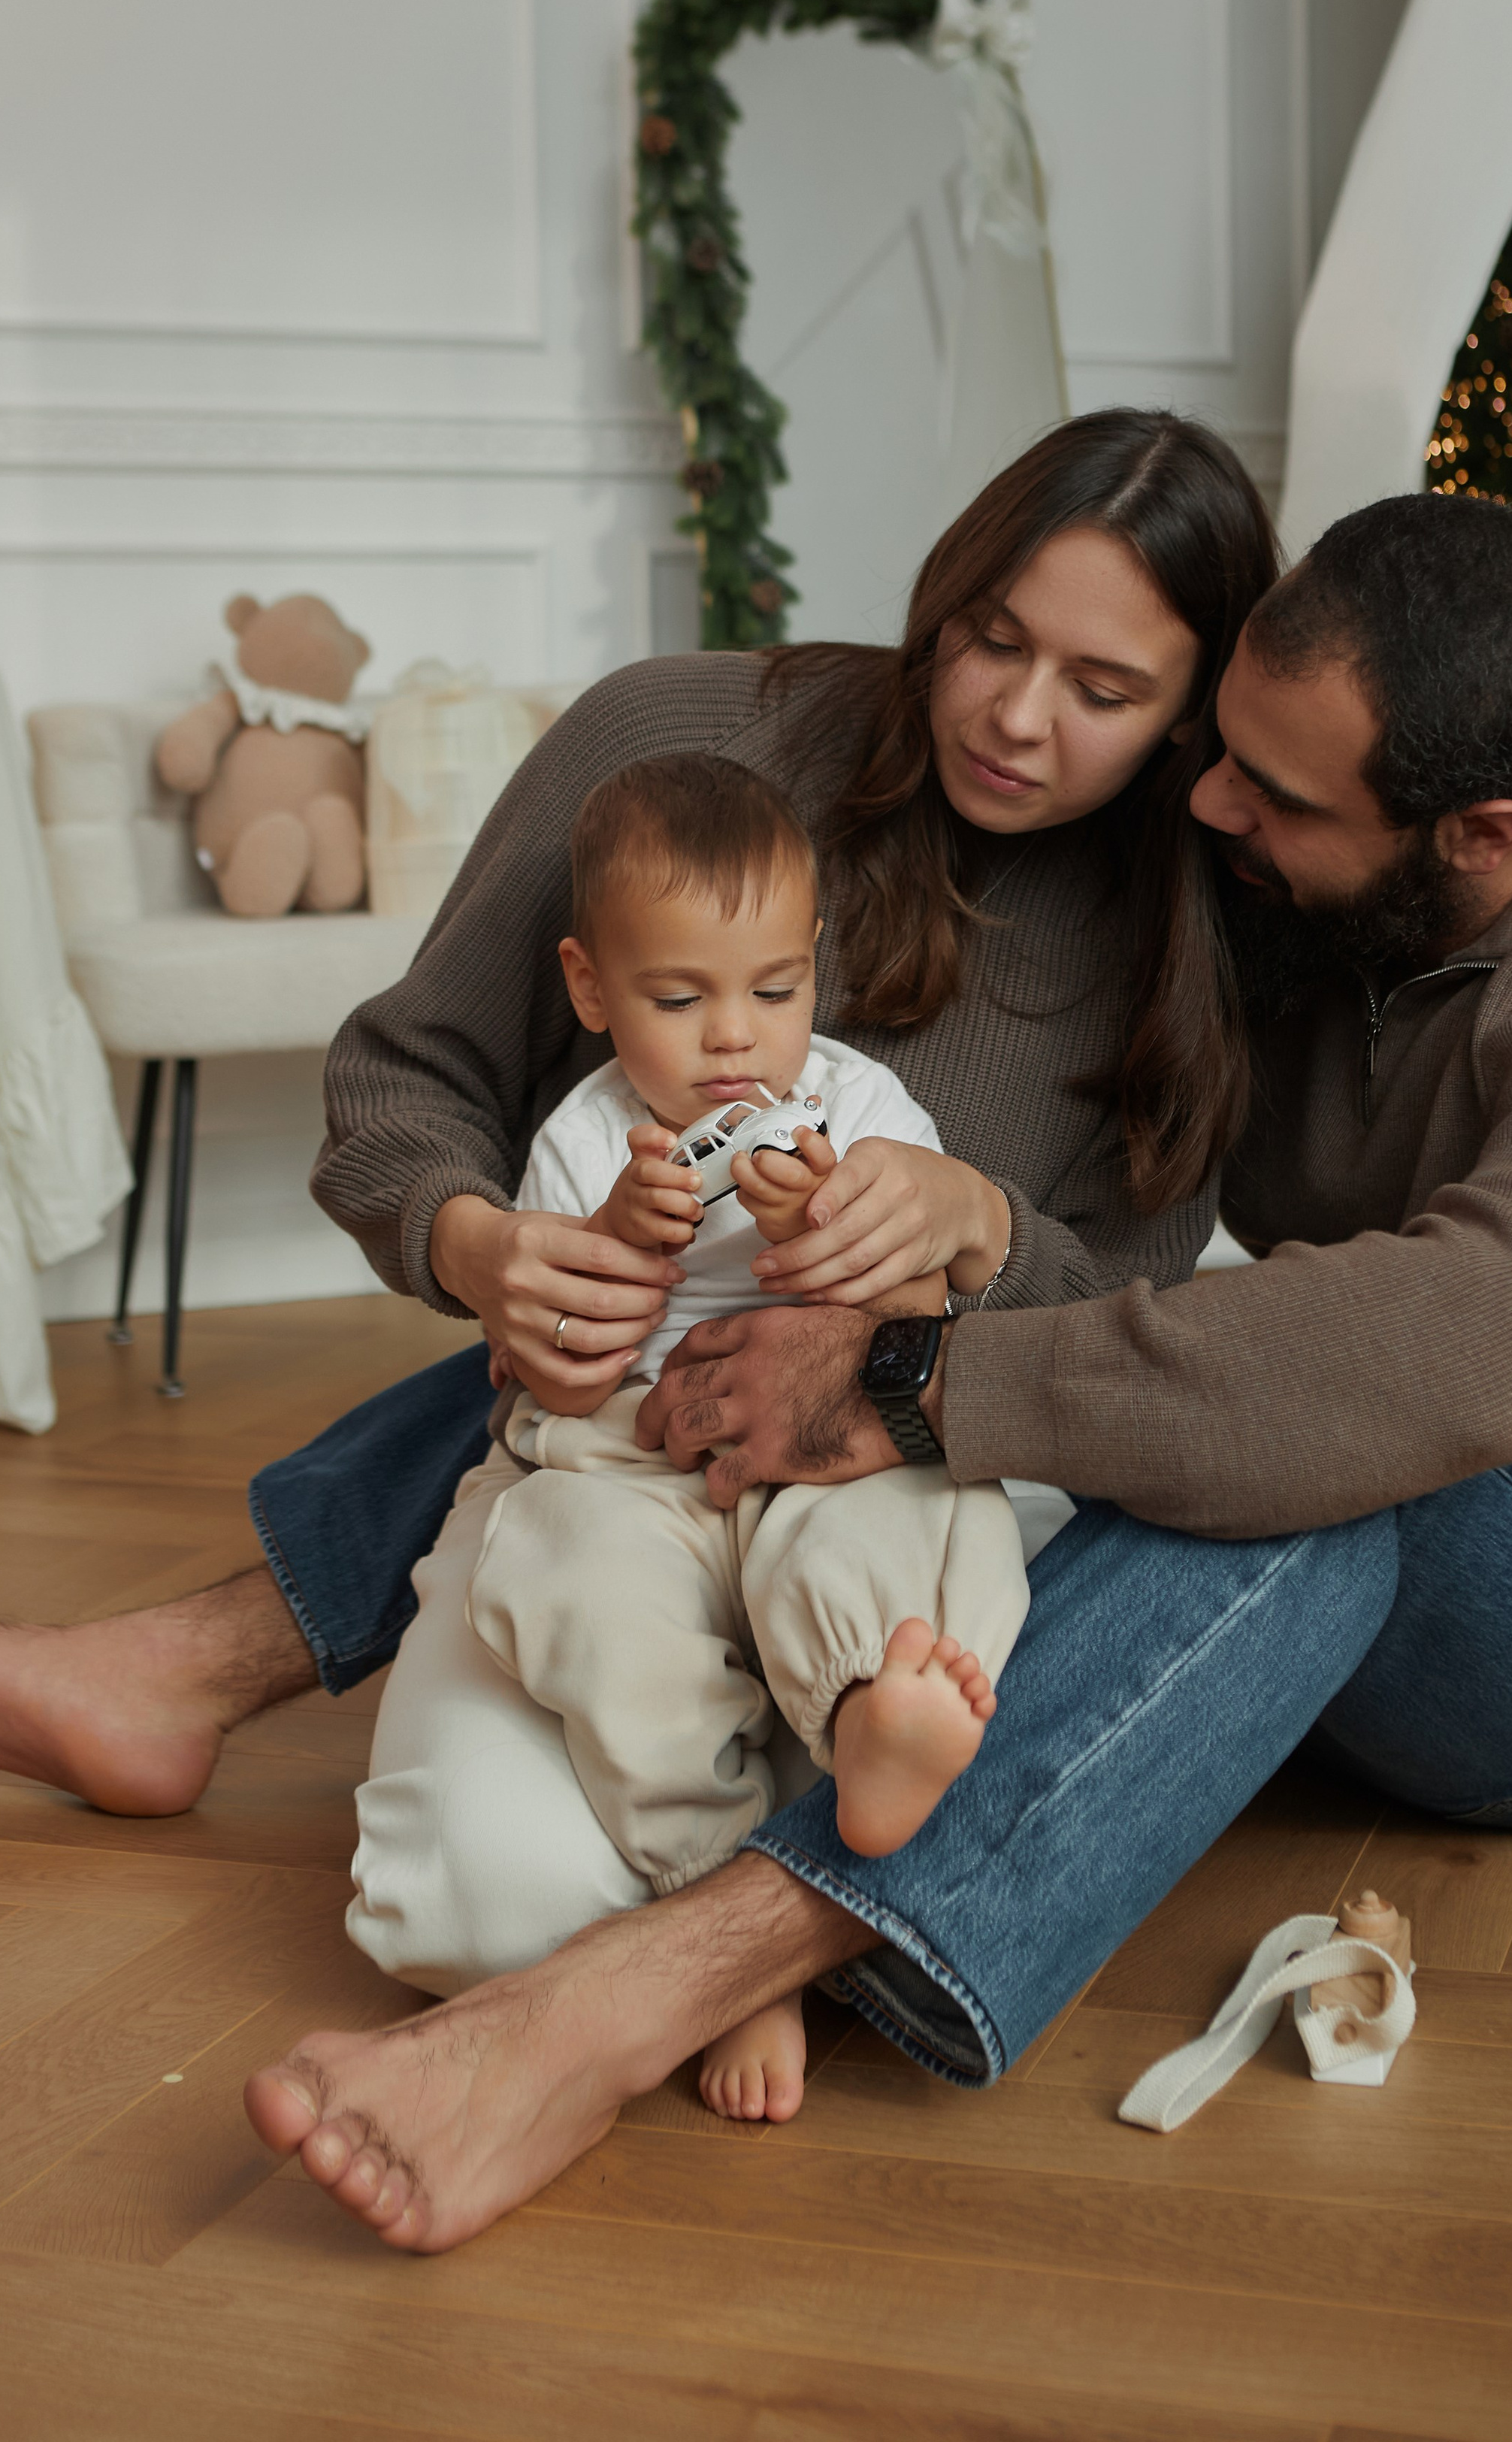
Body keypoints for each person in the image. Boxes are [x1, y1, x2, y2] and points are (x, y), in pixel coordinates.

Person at [0, 477, 1512, 2262]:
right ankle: (211, 1659)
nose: (1213, 809)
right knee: (741, 1332)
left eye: (1278, 796)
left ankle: (651, 1988)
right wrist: (785, 1232)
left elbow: (1421, 1368)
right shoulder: (1312, 895)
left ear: (1479, 837)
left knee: (1307, 1453)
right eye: (1217, 746)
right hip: (1375, 1469)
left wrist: (904, 1383)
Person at [355, 747, 1050, 2126]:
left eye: (775, 991)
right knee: (572, 1579)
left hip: (824, 1439)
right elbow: (560, 1379)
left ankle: (875, 1720)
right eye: (680, 1000)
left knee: (924, 1509)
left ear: (815, 973)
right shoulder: (581, 1143)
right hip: (632, 1455)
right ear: (590, 989)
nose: (737, 1039)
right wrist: (621, 1244)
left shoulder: (861, 1113)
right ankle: (718, 1905)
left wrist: (823, 1238)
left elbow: (921, 1314)